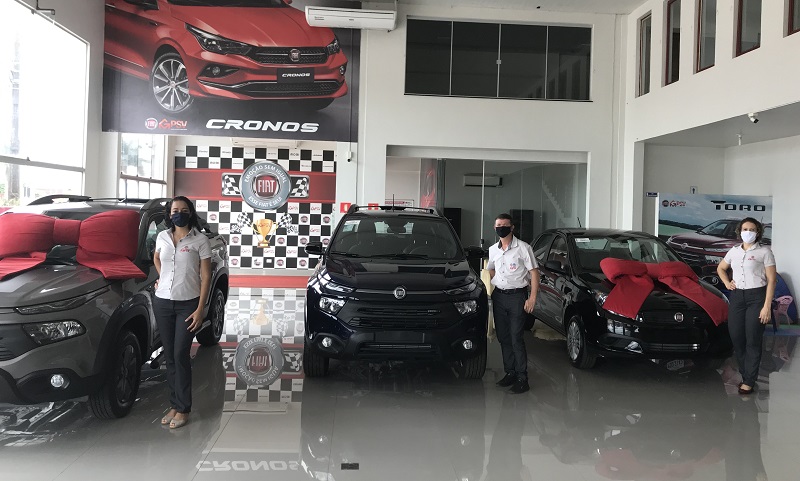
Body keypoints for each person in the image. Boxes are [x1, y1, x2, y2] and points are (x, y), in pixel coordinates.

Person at [154, 196, 212, 429]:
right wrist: (162, 277)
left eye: (184, 210)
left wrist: (200, 309)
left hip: (188, 304)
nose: (179, 213)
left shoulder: (200, 240)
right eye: (175, 210)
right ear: (169, 214)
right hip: (163, 302)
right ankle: (174, 405)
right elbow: (157, 257)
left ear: (190, 213)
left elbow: (206, 275)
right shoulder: (162, 236)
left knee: (180, 354)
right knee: (169, 356)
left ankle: (184, 408)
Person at [716, 217, 777, 395]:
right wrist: (727, 283)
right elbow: (721, 268)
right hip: (737, 297)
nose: (748, 232)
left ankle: (749, 380)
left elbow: (772, 280)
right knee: (737, 338)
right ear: (740, 231)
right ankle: (745, 375)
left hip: (757, 297)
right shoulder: (734, 251)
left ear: (758, 232)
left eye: (752, 229)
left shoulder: (764, 252)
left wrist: (766, 306)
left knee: (753, 339)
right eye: (745, 229)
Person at [487, 213, 539, 394]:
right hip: (499, 296)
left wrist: (532, 298)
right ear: (494, 228)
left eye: (504, 225)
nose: (500, 228)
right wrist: (499, 281)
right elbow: (490, 269)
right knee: (503, 337)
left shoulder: (523, 248)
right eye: (498, 225)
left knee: (516, 337)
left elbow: (534, 272)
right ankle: (510, 372)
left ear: (512, 227)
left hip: (517, 297)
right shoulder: (493, 250)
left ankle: (522, 378)